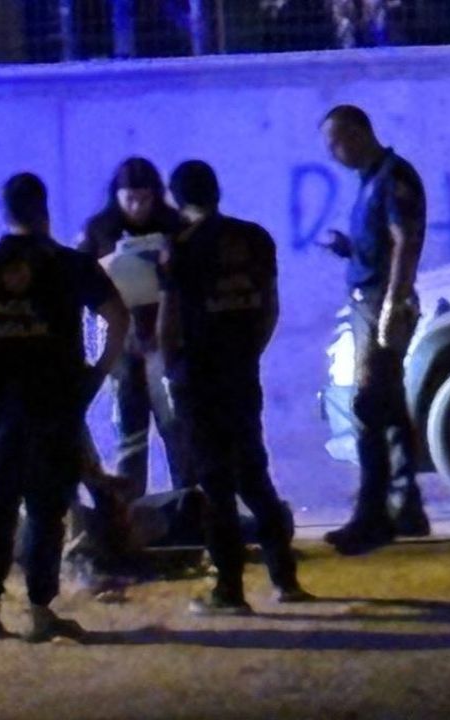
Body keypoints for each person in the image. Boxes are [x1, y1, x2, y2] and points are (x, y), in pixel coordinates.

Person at [0, 172, 129, 642]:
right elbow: (117, 317)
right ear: (44, 210)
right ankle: (39, 612)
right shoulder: (69, 265)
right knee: (46, 511)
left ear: (6, 212)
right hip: (56, 407)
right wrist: (97, 373)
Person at [158, 160, 312, 615]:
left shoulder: (179, 247)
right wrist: (249, 353)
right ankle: (285, 578)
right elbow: (270, 307)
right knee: (254, 474)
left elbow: (168, 317)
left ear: (176, 198)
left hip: (198, 377)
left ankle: (229, 589)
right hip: (242, 372)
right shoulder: (256, 238)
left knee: (215, 484)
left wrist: (170, 369)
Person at [316, 104, 431, 555]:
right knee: (389, 405)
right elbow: (382, 244)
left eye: (337, 142)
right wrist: (351, 251)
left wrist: (393, 304)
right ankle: (406, 506)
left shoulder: (393, 177)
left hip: (379, 303)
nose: (333, 152)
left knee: (368, 405)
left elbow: (406, 242)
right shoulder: (370, 181)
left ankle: (372, 515)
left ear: (360, 132)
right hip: (369, 297)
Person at [78, 157, 188, 498]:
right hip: (122, 339)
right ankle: (131, 507)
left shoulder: (174, 226)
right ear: (117, 196)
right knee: (130, 429)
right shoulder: (100, 229)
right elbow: (79, 277)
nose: (138, 207)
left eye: (144, 199)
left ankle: (187, 501)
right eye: (130, 199)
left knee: (175, 425)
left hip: (167, 336)